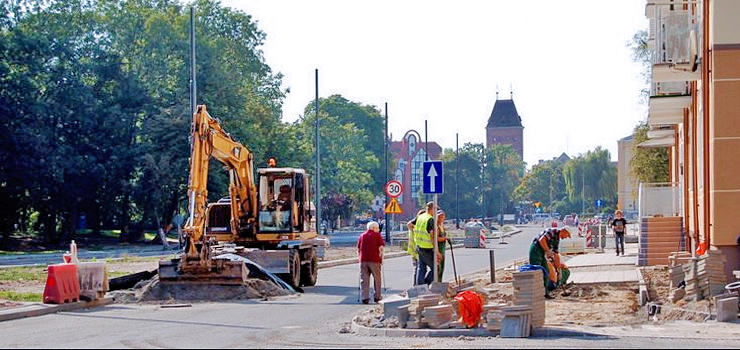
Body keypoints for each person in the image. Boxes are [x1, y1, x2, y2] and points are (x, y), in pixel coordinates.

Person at [528, 226, 571, 297]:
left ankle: (545, 293)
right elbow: (541, 240)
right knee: (536, 270)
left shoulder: (557, 240)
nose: (566, 237)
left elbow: (556, 255)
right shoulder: (552, 231)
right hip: (536, 250)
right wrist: (547, 250)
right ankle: (535, 293)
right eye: (567, 235)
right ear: (564, 231)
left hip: (542, 252)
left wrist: (558, 270)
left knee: (546, 270)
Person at [407, 202, 441, 286]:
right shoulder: (430, 219)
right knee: (436, 268)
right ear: (431, 209)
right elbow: (432, 236)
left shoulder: (420, 217)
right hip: (428, 247)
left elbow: (409, 224)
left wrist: (414, 232)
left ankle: (420, 287)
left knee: (421, 268)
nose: (436, 212)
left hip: (419, 246)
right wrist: (437, 252)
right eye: (436, 209)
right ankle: (426, 284)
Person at [357, 221, 385, 304]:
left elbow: (358, 248)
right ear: (373, 228)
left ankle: (365, 297)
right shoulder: (377, 235)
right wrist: (382, 259)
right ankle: (377, 297)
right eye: (377, 228)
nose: (378, 229)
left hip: (363, 260)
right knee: (377, 279)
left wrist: (359, 259)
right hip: (374, 260)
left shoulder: (362, 235)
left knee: (364, 279)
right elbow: (381, 248)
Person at [407, 209, 425, 285]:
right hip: (418, 250)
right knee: (419, 269)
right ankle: (418, 286)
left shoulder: (413, 226)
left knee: (417, 269)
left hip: (414, 250)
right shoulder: (418, 226)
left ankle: (416, 285)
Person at [435, 210, 447, 282]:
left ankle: (440, 280)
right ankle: (437, 281)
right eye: (440, 217)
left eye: (443, 217)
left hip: (442, 248)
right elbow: (436, 238)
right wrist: (444, 239)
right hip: (439, 248)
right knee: (438, 266)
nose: (442, 218)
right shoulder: (437, 227)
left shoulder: (442, 226)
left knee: (442, 266)